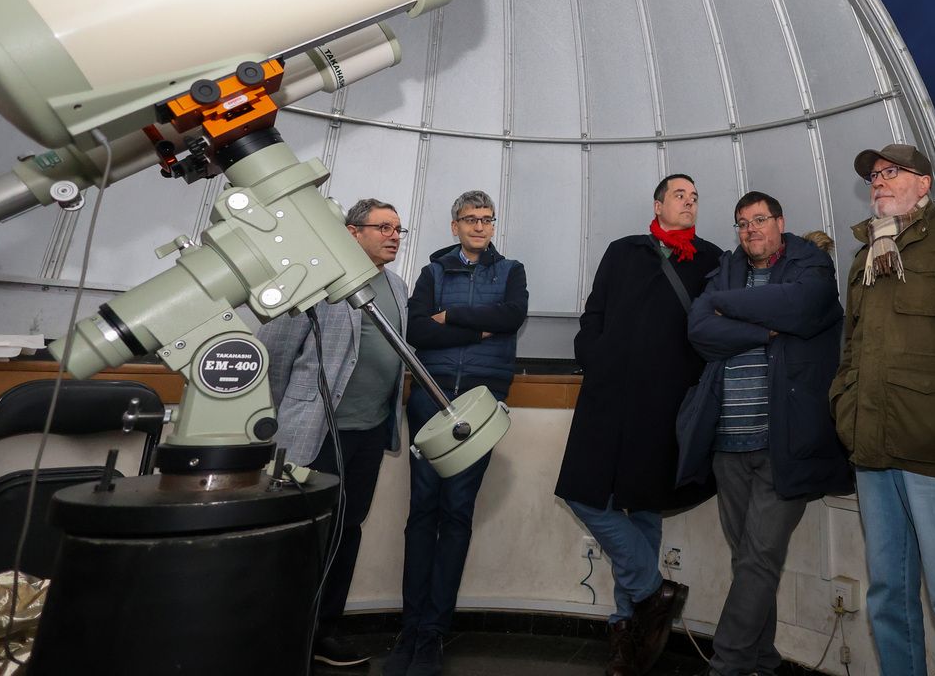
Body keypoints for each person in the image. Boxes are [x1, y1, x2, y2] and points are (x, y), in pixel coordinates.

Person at [829, 144, 935, 676]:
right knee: (887, 593)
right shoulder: (865, 256)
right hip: (873, 447)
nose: (878, 181)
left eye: (891, 172)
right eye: (874, 175)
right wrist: (844, 402)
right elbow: (852, 345)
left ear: (924, 184)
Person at [555, 174, 723, 676]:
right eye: (680, 195)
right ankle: (654, 593)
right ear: (657, 203)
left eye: (696, 197)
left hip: (665, 405)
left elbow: (714, 325)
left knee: (645, 509)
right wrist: (595, 356)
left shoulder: (712, 259)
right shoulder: (624, 249)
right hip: (608, 395)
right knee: (583, 492)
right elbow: (595, 313)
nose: (690, 202)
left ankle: (630, 636)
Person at [680, 192, 851, 676]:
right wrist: (763, 329)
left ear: (780, 222)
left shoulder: (809, 266)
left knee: (758, 559)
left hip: (784, 443)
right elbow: (698, 331)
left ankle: (728, 664)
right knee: (750, 560)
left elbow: (797, 308)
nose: (750, 229)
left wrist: (722, 307)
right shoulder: (725, 271)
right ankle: (763, 660)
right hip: (727, 443)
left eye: (759, 220)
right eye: (741, 223)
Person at [258, 197, 409, 669]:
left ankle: (325, 630)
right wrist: (282, 425)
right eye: (383, 227)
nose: (393, 236)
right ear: (351, 232)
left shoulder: (398, 286)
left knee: (347, 530)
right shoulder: (317, 281)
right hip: (317, 434)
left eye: (398, 229)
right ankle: (281, 634)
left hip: (368, 434)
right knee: (304, 535)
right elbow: (276, 357)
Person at [385, 190, 528, 676]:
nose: (480, 226)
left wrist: (455, 317)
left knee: (457, 511)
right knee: (422, 509)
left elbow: (511, 318)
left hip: (481, 403)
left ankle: (434, 632)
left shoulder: (511, 271)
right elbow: (420, 332)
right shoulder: (432, 273)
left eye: (487, 219)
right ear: (455, 225)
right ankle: (411, 625)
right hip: (430, 394)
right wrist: (477, 330)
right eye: (471, 219)